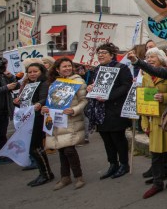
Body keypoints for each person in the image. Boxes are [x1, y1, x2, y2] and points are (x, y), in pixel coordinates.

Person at [128, 45, 167, 199]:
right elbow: (143, 98)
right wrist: (144, 122)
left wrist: (165, 98)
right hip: (153, 120)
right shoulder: (145, 75)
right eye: (147, 58)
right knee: (155, 153)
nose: (149, 60)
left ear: (161, 60)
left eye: (152, 57)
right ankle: (158, 181)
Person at [85, 43, 133, 180]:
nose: (100, 55)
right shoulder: (98, 69)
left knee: (118, 138)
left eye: (104, 52)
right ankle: (113, 164)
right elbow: (96, 85)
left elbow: (126, 86)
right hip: (100, 111)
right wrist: (91, 88)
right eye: (98, 52)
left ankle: (124, 164)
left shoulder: (121, 68)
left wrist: (109, 96)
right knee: (106, 139)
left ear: (112, 55)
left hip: (116, 109)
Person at [43, 57, 88, 190]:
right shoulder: (54, 83)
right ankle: (65, 177)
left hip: (71, 120)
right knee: (61, 149)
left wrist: (74, 110)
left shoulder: (78, 81)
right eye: (64, 66)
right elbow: (50, 102)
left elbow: (84, 100)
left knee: (69, 149)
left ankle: (79, 177)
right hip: (57, 121)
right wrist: (45, 109)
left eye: (69, 66)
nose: (68, 68)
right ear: (57, 69)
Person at [16, 62, 52, 186]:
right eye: (30, 72)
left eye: (35, 71)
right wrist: (17, 101)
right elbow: (24, 100)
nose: (32, 74)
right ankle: (43, 173)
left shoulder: (43, 83)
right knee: (33, 147)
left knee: (35, 147)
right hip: (28, 117)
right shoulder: (29, 84)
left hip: (37, 118)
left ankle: (46, 174)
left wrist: (38, 104)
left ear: (41, 71)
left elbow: (44, 98)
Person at [0, 56, 18, 165]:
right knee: (1, 134)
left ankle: (1, 155)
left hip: (3, 109)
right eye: (2, 66)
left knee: (2, 134)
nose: (5, 68)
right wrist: (6, 87)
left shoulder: (3, 76)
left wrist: (11, 77)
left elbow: (17, 86)